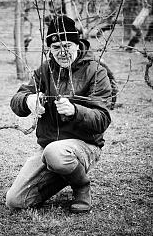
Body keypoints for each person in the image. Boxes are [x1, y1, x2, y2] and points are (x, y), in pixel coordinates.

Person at [6, 15, 112, 213]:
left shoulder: (96, 71)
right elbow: (17, 99)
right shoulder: (45, 70)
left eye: (67, 46)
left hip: (85, 145)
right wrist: (28, 100)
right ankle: (63, 173)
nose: (62, 52)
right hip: (49, 150)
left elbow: (102, 119)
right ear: (49, 49)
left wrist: (75, 111)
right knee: (15, 201)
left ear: (77, 44)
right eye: (56, 48)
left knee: (56, 153)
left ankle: (81, 186)